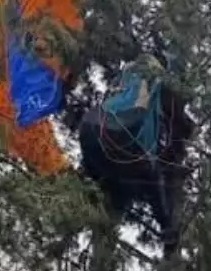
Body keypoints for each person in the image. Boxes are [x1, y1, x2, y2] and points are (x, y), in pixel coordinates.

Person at [78, 52, 195, 250]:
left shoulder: (126, 78)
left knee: (115, 185)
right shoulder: (151, 81)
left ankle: (85, 181)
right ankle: (167, 228)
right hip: (115, 129)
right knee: (151, 174)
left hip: (90, 127)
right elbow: (154, 100)